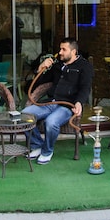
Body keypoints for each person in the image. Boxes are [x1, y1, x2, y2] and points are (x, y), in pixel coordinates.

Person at [23, 37, 93, 165]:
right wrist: (40, 68)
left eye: (63, 49)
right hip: (50, 103)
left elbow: (85, 88)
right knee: (24, 115)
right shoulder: (57, 65)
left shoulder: (84, 66)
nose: (60, 52)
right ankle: (37, 146)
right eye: (60, 49)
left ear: (73, 52)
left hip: (67, 106)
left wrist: (79, 102)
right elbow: (37, 83)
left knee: (51, 122)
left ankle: (47, 151)